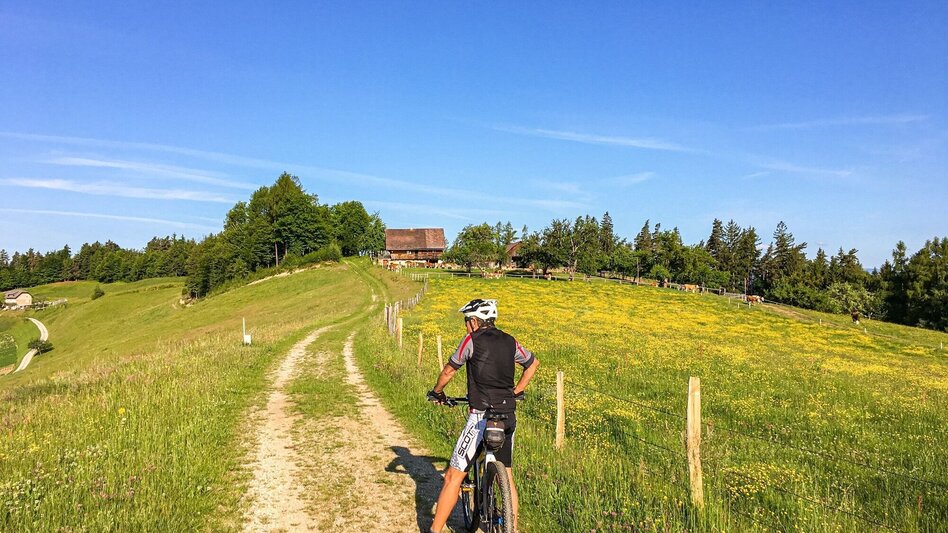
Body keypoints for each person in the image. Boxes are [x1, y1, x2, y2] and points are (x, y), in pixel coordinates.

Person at [426, 299, 540, 533]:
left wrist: (437, 392)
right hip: (507, 414)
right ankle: (512, 528)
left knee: (453, 476)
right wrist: (516, 391)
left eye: (466, 321)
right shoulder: (510, 341)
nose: (466, 325)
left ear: (474, 321)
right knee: (507, 475)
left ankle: (434, 530)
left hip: (481, 417)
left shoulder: (471, 340)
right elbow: (532, 364)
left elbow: (449, 371)